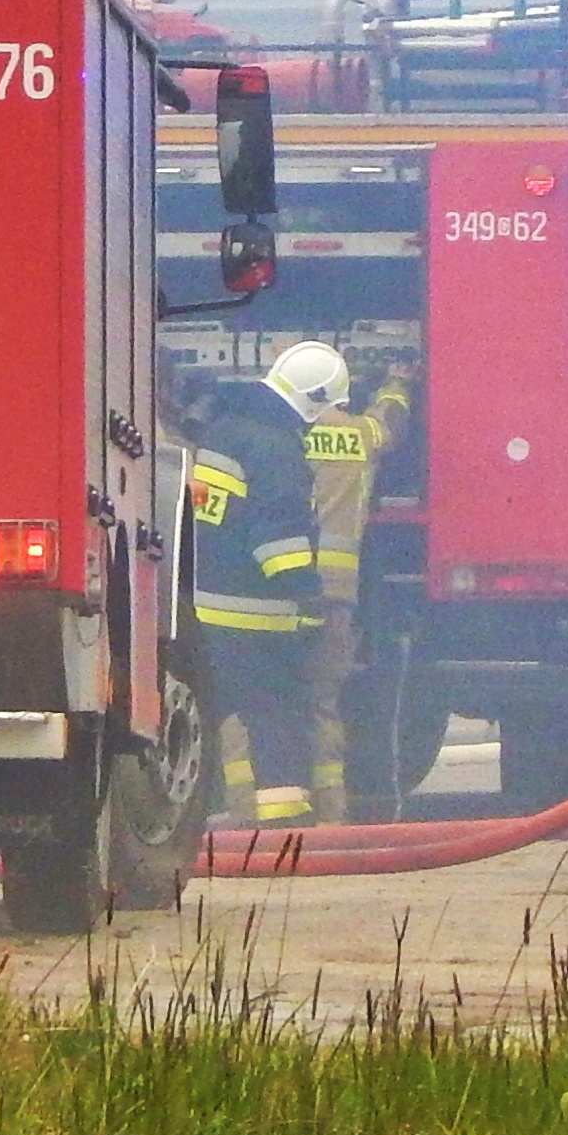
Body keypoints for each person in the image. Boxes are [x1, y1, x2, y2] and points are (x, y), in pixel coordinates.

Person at [188, 349, 329, 823]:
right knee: (277, 715)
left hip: (202, 609)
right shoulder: (277, 450)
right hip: (257, 615)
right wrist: (309, 594)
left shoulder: (221, 434)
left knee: (205, 716)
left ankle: (200, 816)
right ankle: (284, 819)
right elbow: (279, 541)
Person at [291, 345, 411, 819]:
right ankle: (330, 818)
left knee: (271, 698)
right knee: (324, 703)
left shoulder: (283, 434)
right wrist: (396, 382)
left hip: (281, 585)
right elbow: (391, 423)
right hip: (337, 596)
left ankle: (263, 810)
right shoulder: (361, 434)